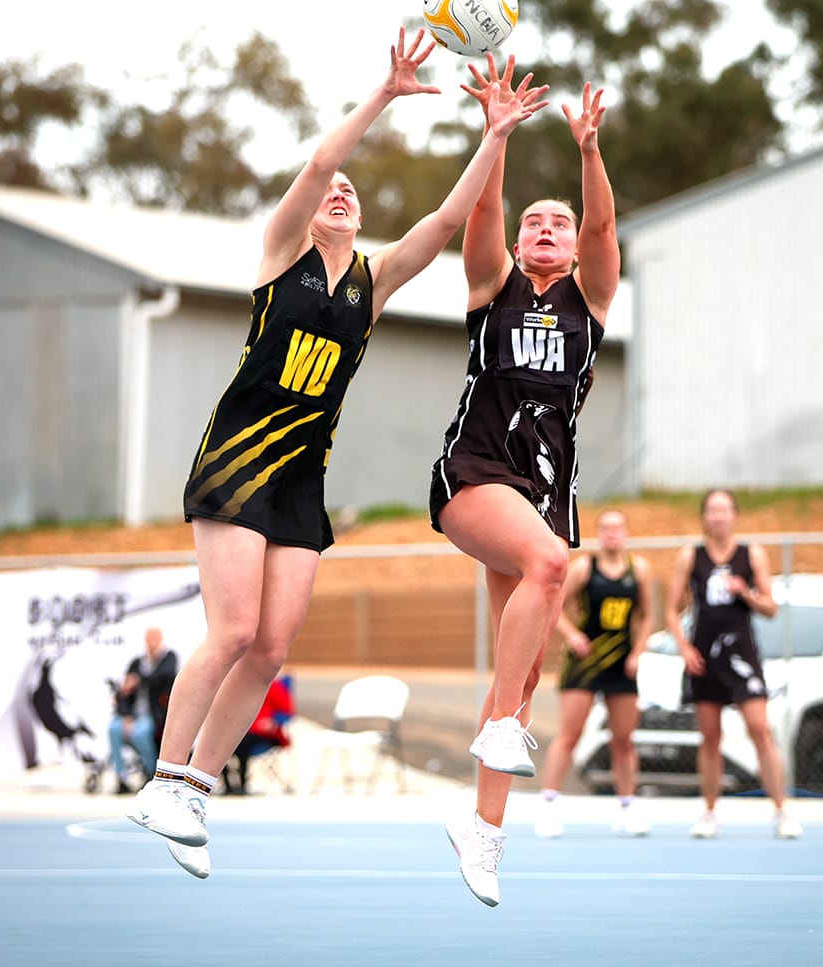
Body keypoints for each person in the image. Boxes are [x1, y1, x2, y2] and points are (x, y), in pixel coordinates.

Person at [125, 28, 549, 880]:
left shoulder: (373, 279)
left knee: (273, 647)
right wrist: (385, 96)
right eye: (335, 193)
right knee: (234, 627)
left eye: (355, 193)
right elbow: (320, 165)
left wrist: (493, 136)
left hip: (301, 478)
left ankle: (197, 785)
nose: (343, 194)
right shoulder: (282, 256)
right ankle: (162, 779)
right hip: (237, 461)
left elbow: (444, 221)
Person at [431, 54, 621, 906]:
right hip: (474, 472)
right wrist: (497, 134)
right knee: (551, 567)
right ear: (516, 241)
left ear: (576, 245)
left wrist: (587, 150)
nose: (545, 226)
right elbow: (480, 209)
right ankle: (503, 728)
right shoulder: (491, 286)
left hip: (546, 493)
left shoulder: (589, 304)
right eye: (534, 220)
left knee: (527, 669)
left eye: (560, 221)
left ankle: (484, 830)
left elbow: (608, 230)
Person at [663, 488, 802, 840]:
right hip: (704, 654)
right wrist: (684, 648)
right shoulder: (690, 556)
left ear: (734, 515)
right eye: (712, 510)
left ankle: (782, 809)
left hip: (741, 653)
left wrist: (746, 592)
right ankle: (709, 811)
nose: (718, 516)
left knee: (760, 728)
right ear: (704, 516)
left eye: (724, 510)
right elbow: (670, 609)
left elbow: (771, 608)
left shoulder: (750, 554)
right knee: (710, 736)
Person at [533, 509, 655, 839]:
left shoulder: (638, 570)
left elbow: (646, 616)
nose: (612, 533)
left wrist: (638, 651)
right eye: (606, 528)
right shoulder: (585, 567)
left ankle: (627, 807)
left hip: (621, 662)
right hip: (584, 662)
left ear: (626, 532)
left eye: (617, 527)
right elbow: (554, 606)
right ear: (599, 533)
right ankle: (547, 805)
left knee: (623, 739)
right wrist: (572, 635)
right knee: (569, 735)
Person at [106, 626, 178, 793]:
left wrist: (138, 679)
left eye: (154, 638)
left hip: (152, 714)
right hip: (133, 714)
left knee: (140, 734)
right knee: (114, 730)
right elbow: (124, 692)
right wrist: (126, 715)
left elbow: (164, 676)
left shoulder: (168, 658)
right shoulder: (136, 663)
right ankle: (121, 776)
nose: (151, 642)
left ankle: (151, 771)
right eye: (148, 638)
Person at [220, 676, 294, 796]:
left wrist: (273, 722)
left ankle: (242, 783)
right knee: (220, 743)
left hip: (265, 734)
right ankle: (228, 784)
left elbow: (286, 712)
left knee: (243, 742)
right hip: (240, 731)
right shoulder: (236, 686)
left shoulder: (275, 686)